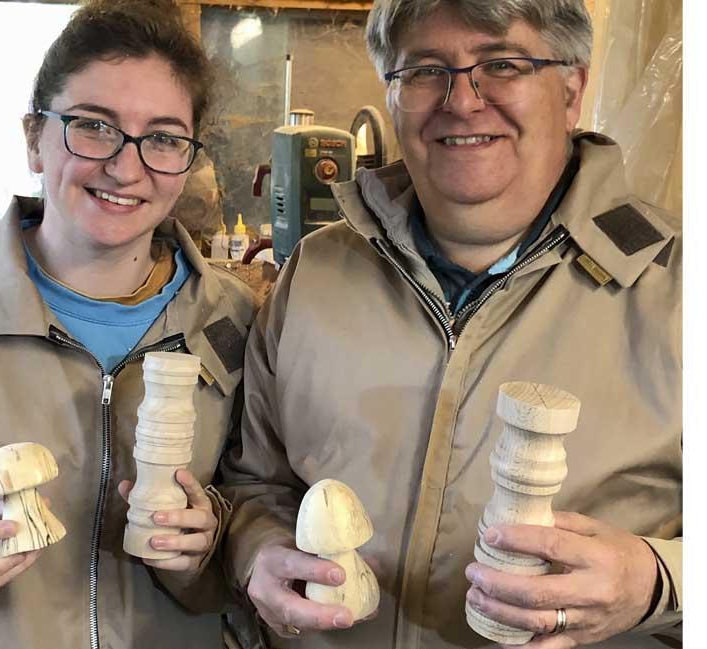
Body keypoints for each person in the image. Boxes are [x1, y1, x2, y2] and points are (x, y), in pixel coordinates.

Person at [219, 0, 681, 647]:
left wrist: (658, 580)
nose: (461, 101)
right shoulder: (314, 273)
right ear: (390, 97)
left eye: (502, 63)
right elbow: (252, 484)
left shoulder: (680, 289)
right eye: (425, 71)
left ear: (571, 89)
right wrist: (256, 551)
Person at [0, 1, 257, 648]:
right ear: (33, 139)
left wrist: (208, 540)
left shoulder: (235, 319)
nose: (125, 167)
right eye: (93, 126)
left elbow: (259, 508)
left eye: (162, 137)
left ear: (188, 158)